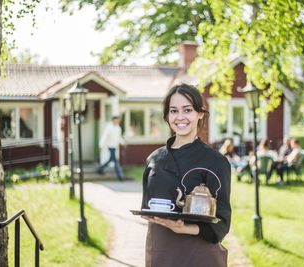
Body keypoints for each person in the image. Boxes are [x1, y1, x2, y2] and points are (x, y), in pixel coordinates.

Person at [141, 84, 231, 267]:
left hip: (200, 256)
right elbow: (147, 209)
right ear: (167, 116)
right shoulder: (153, 160)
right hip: (160, 253)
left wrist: (184, 228)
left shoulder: (215, 162)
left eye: (187, 110)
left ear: (200, 113)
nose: (180, 117)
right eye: (173, 111)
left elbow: (222, 224)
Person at [96, 116, 125, 181]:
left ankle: (99, 169)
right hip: (110, 146)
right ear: (113, 120)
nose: (118, 121)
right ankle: (119, 176)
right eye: (117, 120)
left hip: (115, 147)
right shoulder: (109, 128)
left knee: (111, 160)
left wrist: (123, 142)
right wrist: (101, 145)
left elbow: (118, 137)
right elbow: (104, 137)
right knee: (115, 161)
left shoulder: (118, 128)